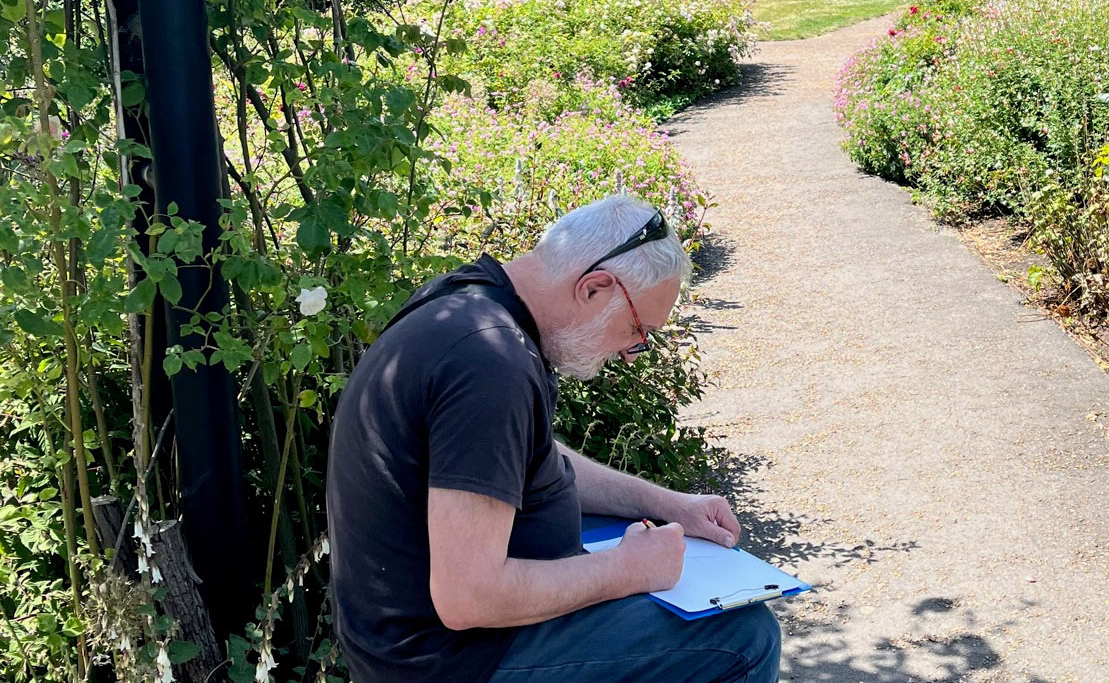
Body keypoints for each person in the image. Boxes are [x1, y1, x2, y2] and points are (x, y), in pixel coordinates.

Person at [327, 195, 782, 683]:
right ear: (594, 287)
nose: (632, 353)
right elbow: (467, 596)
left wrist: (669, 504)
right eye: (636, 329)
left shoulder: (473, 300)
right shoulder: (490, 362)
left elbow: (520, 455)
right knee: (744, 638)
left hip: (422, 641)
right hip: (450, 660)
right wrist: (627, 571)